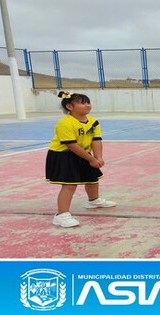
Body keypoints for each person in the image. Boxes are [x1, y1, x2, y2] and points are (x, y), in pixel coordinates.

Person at [46, 91, 116, 228]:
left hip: (83, 153)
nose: (87, 105)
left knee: (92, 179)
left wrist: (98, 157)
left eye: (88, 102)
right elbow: (71, 145)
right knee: (69, 184)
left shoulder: (93, 122)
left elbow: (96, 140)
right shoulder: (65, 123)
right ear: (69, 107)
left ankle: (93, 200)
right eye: (82, 103)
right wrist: (90, 159)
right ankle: (61, 215)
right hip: (64, 155)